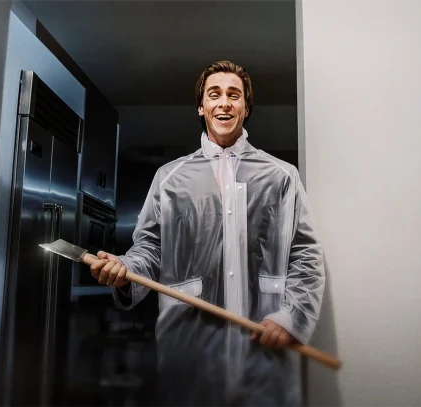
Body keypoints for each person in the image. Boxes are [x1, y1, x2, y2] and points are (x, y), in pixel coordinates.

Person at [90, 60, 326, 406]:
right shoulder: (170, 178)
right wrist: (125, 269)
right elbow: (150, 248)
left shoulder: (282, 176)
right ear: (201, 107)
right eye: (214, 94)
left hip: (265, 354)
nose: (224, 102)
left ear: (246, 108)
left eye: (234, 95)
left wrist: (291, 318)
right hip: (189, 353)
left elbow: (305, 254)